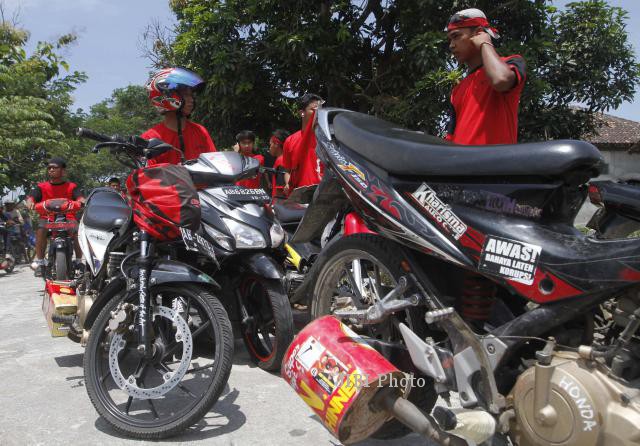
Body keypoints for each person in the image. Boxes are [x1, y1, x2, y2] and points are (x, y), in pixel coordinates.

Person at [444, 8, 526, 145]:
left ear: (479, 33)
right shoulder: (457, 90)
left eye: (456, 36)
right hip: (460, 164)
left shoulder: (511, 63)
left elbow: (500, 80)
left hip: (494, 165)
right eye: (450, 40)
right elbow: (450, 138)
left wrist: (485, 43)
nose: (451, 45)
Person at [141, 67, 217, 165]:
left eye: (191, 95)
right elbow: (147, 176)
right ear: (167, 96)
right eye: (186, 95)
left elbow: (215, 165)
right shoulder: (150, 138)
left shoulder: (200, 131)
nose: (191, 100)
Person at [26, 157, 84, 273]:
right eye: (49, 168)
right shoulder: (41, 187)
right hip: (47, 219)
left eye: (55, 167)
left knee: (78, 232)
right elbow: (31, 198)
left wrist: (82, 201)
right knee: (40, 231)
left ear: (63, 171)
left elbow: (80, 198)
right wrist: (30, 202)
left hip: (69, 218)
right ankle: (41, 261)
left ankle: (78, 261)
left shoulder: (72, 186)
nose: (51, 170)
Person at [282, 93, 324, 195]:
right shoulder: (290, 141)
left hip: (322, 195)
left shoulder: (326, 139)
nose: (318, 113)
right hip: (300, 197)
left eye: (320, 109)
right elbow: (287, 171)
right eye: (313, 110)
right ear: (302, 113)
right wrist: (288, 184)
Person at [268, 129, 289, 199]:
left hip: (280, 205)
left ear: (276, 144)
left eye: (270, 144)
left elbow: (280, 189)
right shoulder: (286, 159)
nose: (269, 148)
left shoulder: (281, 161)